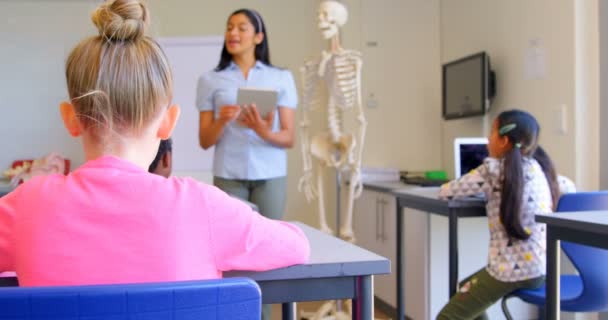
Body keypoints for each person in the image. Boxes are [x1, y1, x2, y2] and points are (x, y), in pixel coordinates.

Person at [0, 0, 309, 287]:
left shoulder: (25, 205)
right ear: (168, 122)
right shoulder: (205, 206)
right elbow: (297, 246)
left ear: (69, 118)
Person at [436, 110, 559, 320]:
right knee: (466, 287)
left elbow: (447, 191)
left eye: (491, 133)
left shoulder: (492, 169)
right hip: (539, 270)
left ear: (503, 140)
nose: (487, 140)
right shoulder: (537, 167)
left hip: (509, 271)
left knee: (448, 317)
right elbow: (567, 185)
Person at [196, 8, 297, 222]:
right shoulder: (210, 80)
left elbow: (289, 138)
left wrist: (262, 130)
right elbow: (205, 141)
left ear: (258, 37)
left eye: (242, 28)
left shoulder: (281, 78)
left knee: (270, 237)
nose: (233, 33)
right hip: (228, 174)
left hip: (270, 174)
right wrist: (222, 120)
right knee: (231, 237)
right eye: (229, 28)